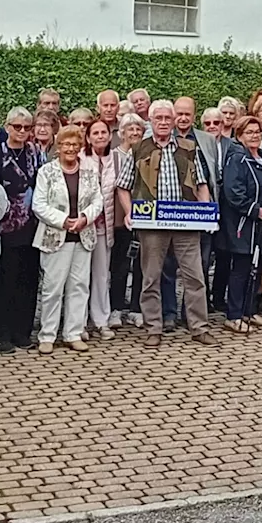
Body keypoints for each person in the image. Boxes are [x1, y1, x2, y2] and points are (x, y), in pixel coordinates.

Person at [115, 100, 219, 348]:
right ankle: (154, 328)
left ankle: (199, 327)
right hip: (151, 225)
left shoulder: (188, 147)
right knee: (151, 278)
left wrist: (207, 213)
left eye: (167, 118)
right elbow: (122, 186)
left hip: (186, 223)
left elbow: (202, 184)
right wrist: (130, 213)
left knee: (195, 277)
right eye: (158, 118)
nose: (163, 122)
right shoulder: (138, 148)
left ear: (174, 121)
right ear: (150, 121)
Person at [33, 125, 103, 353]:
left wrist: (84, 218)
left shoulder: (90, 172)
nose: (71, 149)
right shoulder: (47, 172)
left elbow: (98, 201)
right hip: (56, 236)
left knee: (79, 286)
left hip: (83, 236)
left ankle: (73, 332)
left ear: (81, 147)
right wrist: (63, 220)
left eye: (75, 144)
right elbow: (39, 204)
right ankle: (47, 335)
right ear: (58, 146)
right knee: (53, 287)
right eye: (66, 144)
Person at [0, 107, 45, 353]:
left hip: (33, 226)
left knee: (29, 282)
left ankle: (22, 332)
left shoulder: (36, 153)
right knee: (6, 282)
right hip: (7, 228)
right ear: (7, 127)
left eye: (26, 127)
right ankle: (0, 335)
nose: (22, 131)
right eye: (17, 127)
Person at [218, 116, 262, 333]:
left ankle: (249, 311)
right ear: (239, 136)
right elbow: (233, 192)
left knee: (257, 268)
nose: (255, 135)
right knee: (241, 269)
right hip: (243, 225)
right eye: (250, 132)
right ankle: (234, 316)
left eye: (258, 131)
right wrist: (254, 210)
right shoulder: (237, 159)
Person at [83, 118, 120, 339]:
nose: (99, 136)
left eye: (103, 132)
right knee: (80, 277)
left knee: (101, 275)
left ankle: (101, 320)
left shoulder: (115, 159)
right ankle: (78, 323)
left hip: (105, 226)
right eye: (95, 133)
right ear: (88, 137)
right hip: (83, 226)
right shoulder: (80, 158)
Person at [110, 114, 147, 328]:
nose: (134, 133)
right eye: (129, 129)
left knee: (142, 265)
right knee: (120, 265)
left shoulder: (147, 154)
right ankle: (116, 308)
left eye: (138, 129)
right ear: (121, 133)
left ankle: (136, 308)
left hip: (145, 218)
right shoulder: (113, 156)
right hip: (118, 220)